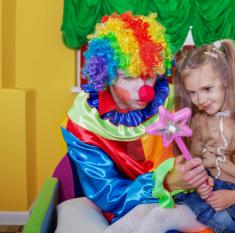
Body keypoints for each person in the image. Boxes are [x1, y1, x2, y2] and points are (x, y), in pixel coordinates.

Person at [61, 12, 209, 233]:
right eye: (129, 78)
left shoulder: (176, 100)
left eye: (149, 75)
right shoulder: (84, 123)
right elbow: (109, 196)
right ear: (106, 76)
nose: (145, 90)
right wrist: (166, 182)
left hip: (183, 203)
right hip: (125, 210)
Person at [132, 40, 235, 233]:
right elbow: (196, 162)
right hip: (200, 193)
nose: (200, 100)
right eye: (192, 93)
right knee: (140, 212)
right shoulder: (198, 121)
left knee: (159, 217)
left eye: (207, 89)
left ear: (227, 79)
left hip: (231, 199)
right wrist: (201, 180)